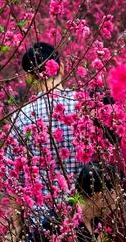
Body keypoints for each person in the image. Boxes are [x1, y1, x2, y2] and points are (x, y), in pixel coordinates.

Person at [9, 42, 79, 201]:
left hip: (41, 216)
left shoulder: (20, 117)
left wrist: (17, 224)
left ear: (30, 78)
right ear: (61, 67)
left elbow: (14, 176)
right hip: (89, 214)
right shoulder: (84, 105)